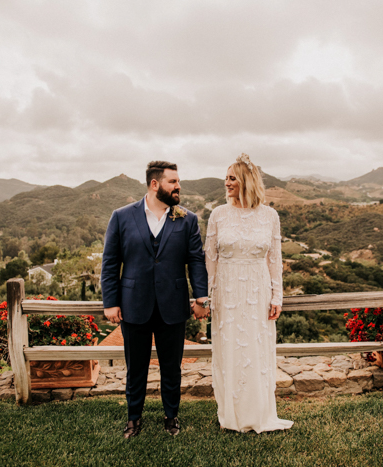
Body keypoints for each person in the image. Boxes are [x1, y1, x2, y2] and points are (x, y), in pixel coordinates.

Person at [101, 161, 209, 439]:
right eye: (172, 181)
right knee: (135, 367)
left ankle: (171, 417)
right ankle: (133, 419)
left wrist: (201, 298)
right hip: (133, 304)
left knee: (171, 368)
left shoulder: (188, 219)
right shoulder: (122, 216)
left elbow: (196, 261)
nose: (178, 186)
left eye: (178, 181)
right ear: (154, 184)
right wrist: (110, 302)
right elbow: (111, 263)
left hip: (173, 305)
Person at [205, 153, 293, 433]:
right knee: (230, 350)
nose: (226, 182)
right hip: (227, 294)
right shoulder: (218, 214)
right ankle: (230, 415)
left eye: (232, 177)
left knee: (255, 350)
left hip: (258, 292)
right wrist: (208, 297)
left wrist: (277, 297)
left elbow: (275, 261)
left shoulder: (270, 216)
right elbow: (210, 260)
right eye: (226, 177)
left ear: (246, 181)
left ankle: (258, 413)